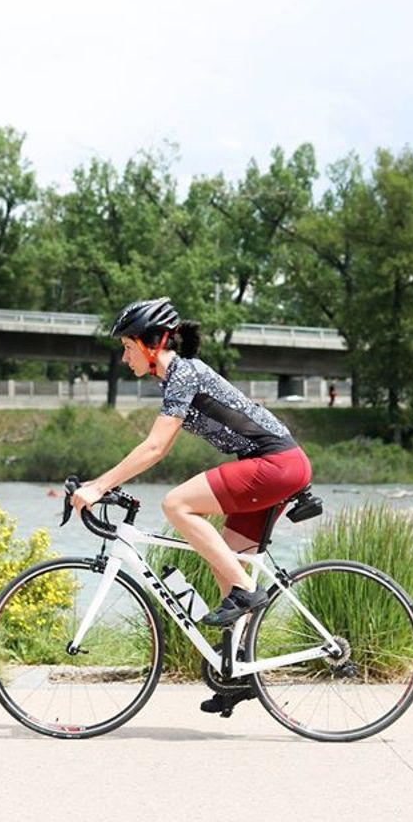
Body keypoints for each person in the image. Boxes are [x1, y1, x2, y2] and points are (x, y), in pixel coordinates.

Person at [71, 298, 313, 712]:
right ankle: (239, 673)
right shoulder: (175, 379)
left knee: (176, 504)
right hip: (272, 465)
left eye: (127, 347)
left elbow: (155, 447)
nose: (124, 356)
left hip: (274, 464)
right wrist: (96, 483)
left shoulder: (184, 373)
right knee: (229, 562)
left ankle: (243, 592)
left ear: (151, 345)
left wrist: (98, 487)